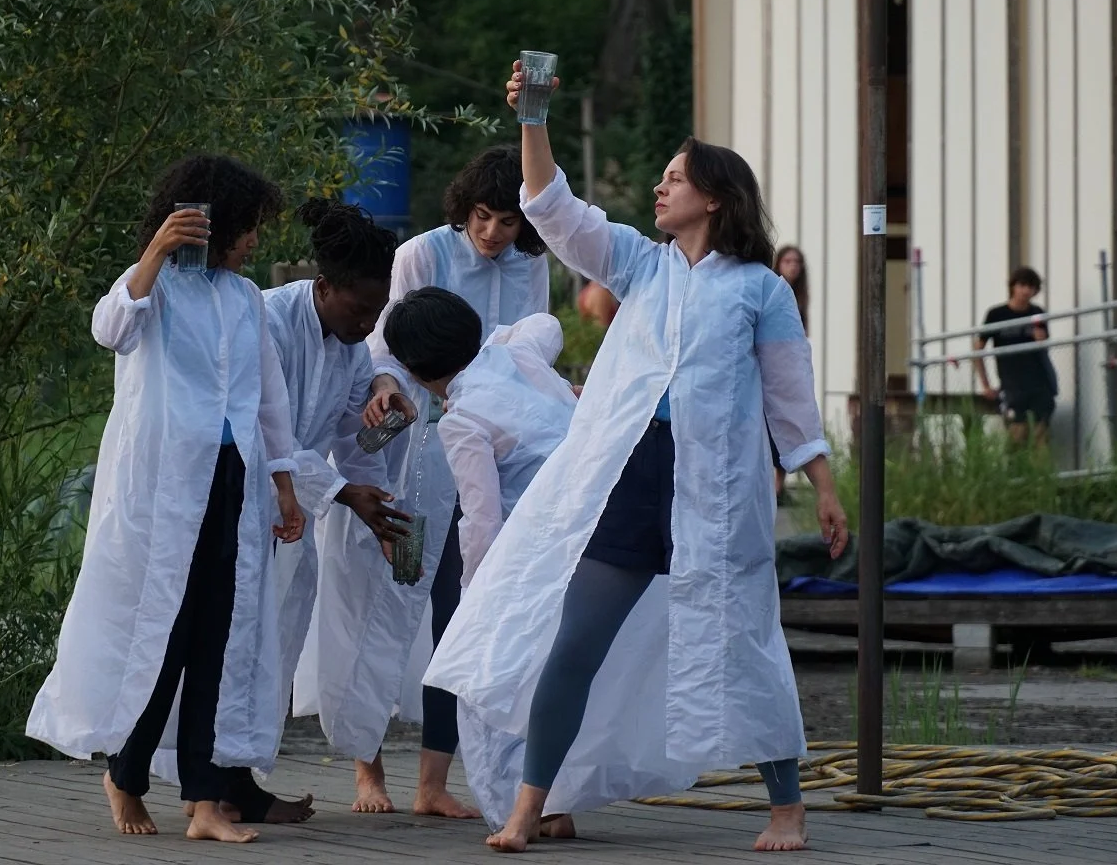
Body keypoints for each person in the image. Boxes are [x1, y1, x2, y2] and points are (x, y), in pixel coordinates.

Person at [423, 63, 850, 854]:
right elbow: (551, 207)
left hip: (716, 493)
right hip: (629, 480)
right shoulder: (639, 264)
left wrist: (823, 488)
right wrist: (534, 118)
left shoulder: (761, 290)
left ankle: (786, 808)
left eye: (675, 179)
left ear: (715, 198)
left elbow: (793, 400)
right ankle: (526, 809)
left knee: (745, 642)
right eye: (660, 179)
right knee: (572, 644)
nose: (661, 190)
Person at [27, 155, 306, 845]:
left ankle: (207, 802)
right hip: (161, 489)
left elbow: (268, 401)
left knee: (221, 635)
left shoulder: (245, 300)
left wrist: (285, 486)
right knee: (165, 635)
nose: (252, 242)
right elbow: (111, 329)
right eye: (247, 229)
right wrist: (154, 251)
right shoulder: (151, 290)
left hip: (232, 480)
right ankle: (125, 775)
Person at [293, 144, 550, 819]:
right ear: (464, 210)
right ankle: (365, 768)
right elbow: (382, 339)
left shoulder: (531, 266)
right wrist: (385, 397)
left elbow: (530, 348)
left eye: (509, 222)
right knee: (378, 595)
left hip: (481, 448)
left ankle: (434, 782)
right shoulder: (421, 254)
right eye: (484, 217)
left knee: (459, 610)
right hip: (401, 435)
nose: (494, 233)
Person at [175, 198, 411, 826]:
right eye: (359, 309)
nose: (367, 324)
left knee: (270, 650)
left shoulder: (354, 350)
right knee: (230, 647)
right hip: (241, 499)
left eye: (376, 313)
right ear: (324, 286)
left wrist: (386, 421)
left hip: (289, 513)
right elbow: (260, 429)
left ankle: (241, 777)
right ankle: (207, 779)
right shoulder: (271, 322)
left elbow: (351, 439)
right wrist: (338, 494)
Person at [382, 288, 579, 836]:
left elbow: (481, 520)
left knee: (495, 676)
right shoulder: (518, 354)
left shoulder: (462, 419)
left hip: (530, 551)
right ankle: (557, 804)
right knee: (556, 672)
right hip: (590, 527)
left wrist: (476, 595)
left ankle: (524, 808)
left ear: (415, 372)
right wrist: (505, 338)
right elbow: (545, 323)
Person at [975, 266, 1058, 447]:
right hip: (1012, 385)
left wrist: (1040, 340)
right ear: (1013, 286)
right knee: (1016, 436)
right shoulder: (996, 314)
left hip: (1039, 383)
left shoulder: (1037, 313)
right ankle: (1015, 474)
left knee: (1040, 437)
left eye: (1031, 287)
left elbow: (1044, 347)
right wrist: (986, 385)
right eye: (1022, 285)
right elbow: (977, 349)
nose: (1026, 291)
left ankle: (1040, 474)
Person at [771, 245, 810, 499]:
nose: (792, 266)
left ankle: (779, 485)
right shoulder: (770, 288)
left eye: (796, 262)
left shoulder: (800, 298)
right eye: (787, 261)